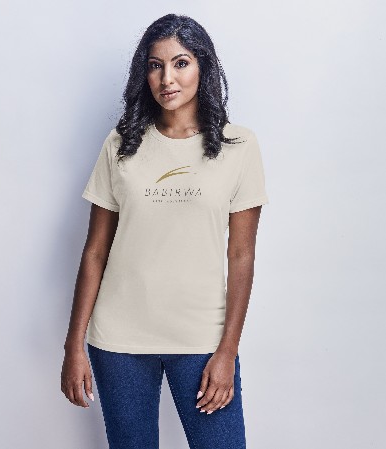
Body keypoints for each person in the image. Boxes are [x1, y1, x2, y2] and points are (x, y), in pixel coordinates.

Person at [61, 13, 269, 449]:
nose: (167, 78)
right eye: (155, 65)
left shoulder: (239, 146)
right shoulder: (121, 143)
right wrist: (73, 345)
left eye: (181, 63)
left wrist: (228, 350)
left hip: (202, 339)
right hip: (118, 341)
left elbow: (241, 256)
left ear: (203, 67)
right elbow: (95, 251)